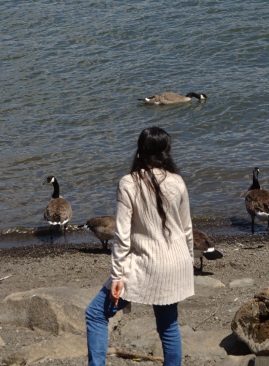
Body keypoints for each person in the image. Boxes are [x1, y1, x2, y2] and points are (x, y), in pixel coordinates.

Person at [85, 127, 194, 366]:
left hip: (147, 262)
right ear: (167, 152)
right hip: (178, 262)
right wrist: (189, 266)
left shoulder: (129, 183)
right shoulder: (178, 182)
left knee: (95, 314)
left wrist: (117, 276)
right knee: (168, 326)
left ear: (140, 151)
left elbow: (122, 236)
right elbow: (187, 230)